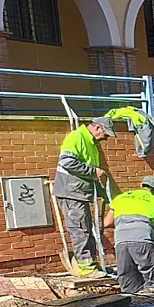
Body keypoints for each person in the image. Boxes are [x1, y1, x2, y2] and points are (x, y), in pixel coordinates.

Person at [53, 116, 115, 277]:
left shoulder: (91, 143)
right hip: (71, 193)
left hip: (79, 192)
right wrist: (93, 171)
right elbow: (67, 162)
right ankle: (86, 268)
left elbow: (90, 175)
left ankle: (90, 264)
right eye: (105, 134)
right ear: (97, 128)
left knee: (87, 229)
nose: (106, 138)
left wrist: (101, 191)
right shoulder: (76, 137)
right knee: (80, 229)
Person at [104, 175, 154, 294]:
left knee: (127, 279)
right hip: (143, 241)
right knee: (151, 278)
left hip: (121, 242)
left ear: (141, 185)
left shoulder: (120, 198)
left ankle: (130, 301)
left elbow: (107, 223)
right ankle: (153, 302)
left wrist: (124, 225)